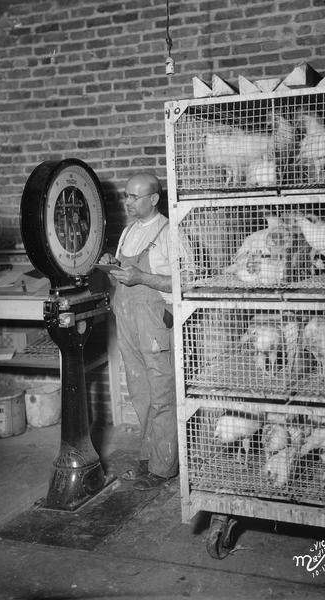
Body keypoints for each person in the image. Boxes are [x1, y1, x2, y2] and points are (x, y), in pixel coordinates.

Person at [100, 172, 186, 490]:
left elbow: (183, 282)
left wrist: (141, 277)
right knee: (140, 394)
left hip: (154, 325)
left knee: (163, 396)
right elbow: (123, 279)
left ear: (153, 199)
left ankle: (165, 467)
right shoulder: (127, 233)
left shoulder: (169, 232)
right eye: (126, 196)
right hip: (127, 323)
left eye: (134, 197)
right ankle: (150, 458)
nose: (128, 202)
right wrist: (112, 267)